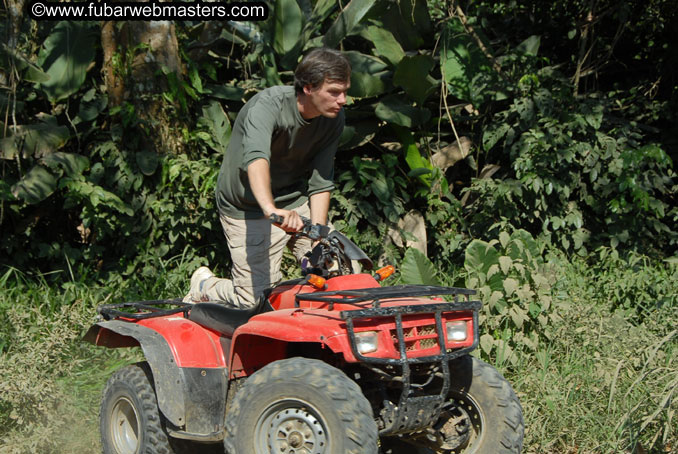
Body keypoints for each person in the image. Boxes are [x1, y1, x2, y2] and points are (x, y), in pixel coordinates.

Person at [184, 48, 351, 308]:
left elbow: (321, 180)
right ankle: (204, 287)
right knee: (254, 301)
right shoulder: (267, 107)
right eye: (334, 92)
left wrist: (318, 235)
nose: (343, 100)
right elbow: (257, 160)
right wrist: (271, 211)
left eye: (345, 91)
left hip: (294, 200)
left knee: (334, 269)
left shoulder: (333, 118)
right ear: (308, 88)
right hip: (247, 207)